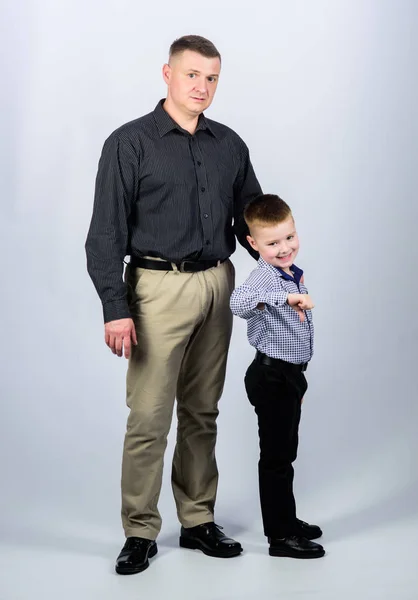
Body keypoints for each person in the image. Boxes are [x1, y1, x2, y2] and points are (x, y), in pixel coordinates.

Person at [85, 35, 262, 574]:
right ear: (167, 74)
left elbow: (252, 219)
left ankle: (197, 519)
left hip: (218, 282)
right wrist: (116, 306)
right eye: (192, 75)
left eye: (211, 78)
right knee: (149, 417)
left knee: (202, 412)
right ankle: (139, 530)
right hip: (157, 289)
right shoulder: (130, 143)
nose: (201, 87)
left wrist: (283, 270)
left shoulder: (228, 144)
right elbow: (105, 235)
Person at [230, 194, 325, 559]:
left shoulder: (289, 273)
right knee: (275, 458)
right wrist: (284, 300)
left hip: (289, 377)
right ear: (253, 244)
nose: (285, 248)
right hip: (271, 377)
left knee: (286, 452)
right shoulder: (262, 277)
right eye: (272, 243)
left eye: (290, 237)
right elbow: (238, 302)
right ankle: (280, 537)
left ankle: (286, 519)